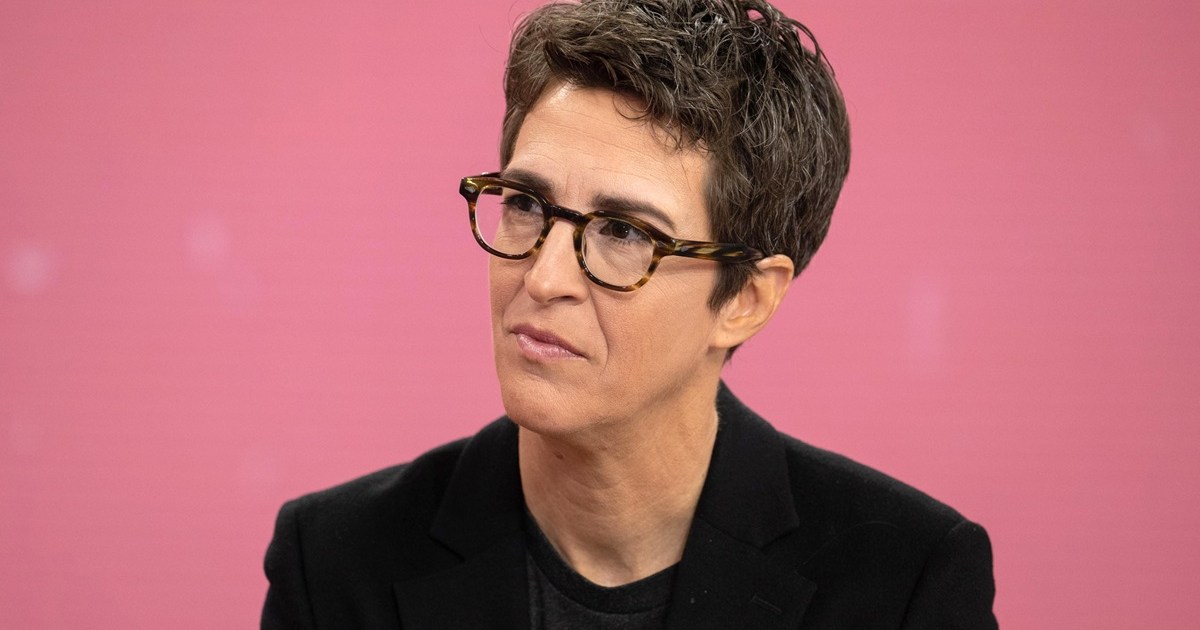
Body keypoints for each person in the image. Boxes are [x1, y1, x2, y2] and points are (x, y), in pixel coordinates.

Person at [261, 0, 998, 628]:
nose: (543, 277)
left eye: (622, 232)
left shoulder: (906, 583)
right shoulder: (334, 563)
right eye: (526, 204)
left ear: (746, 299)